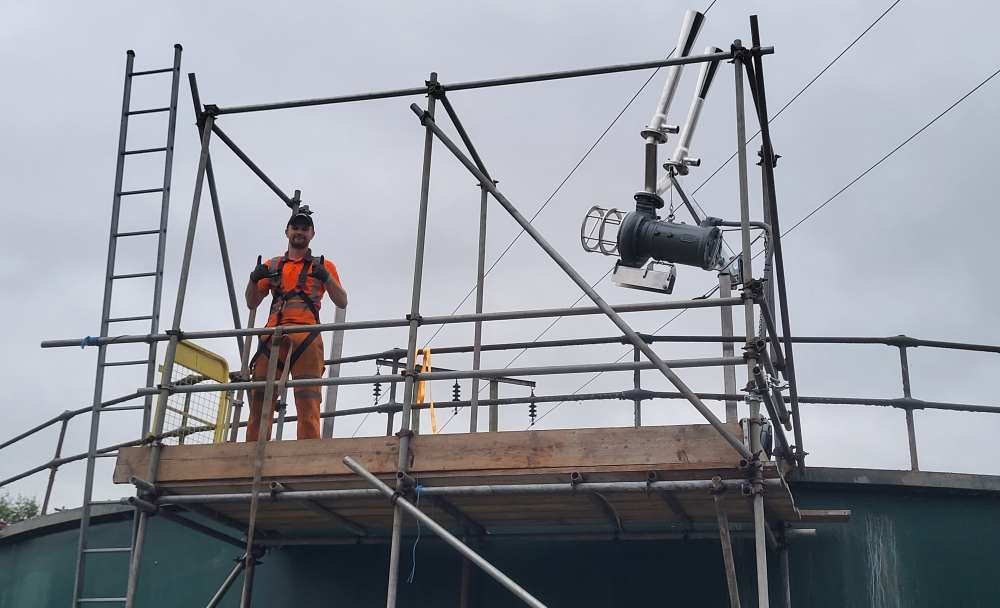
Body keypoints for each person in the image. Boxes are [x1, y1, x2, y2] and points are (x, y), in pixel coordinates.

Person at [244, 206, 347, 441]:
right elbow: (252, 302)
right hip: (273, 337)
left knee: (308, 402)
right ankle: (251, 455)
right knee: (260, 403)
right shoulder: (272, 266)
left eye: (304, 228)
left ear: (312, 234)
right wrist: (253, 279)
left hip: (307, 337)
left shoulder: (323, 265)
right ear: (287, 231)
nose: (299, 232)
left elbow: (342, 300)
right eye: (295, 228)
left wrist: (326, 278)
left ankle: (307, 454)